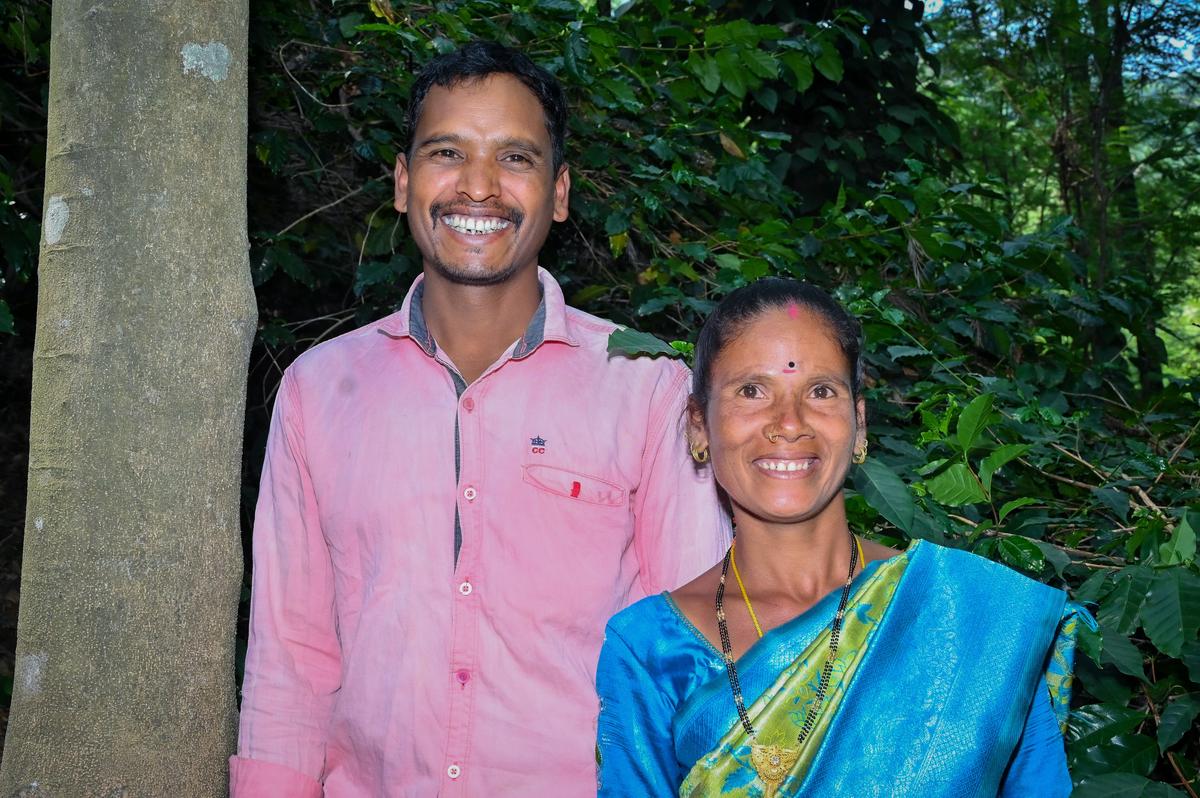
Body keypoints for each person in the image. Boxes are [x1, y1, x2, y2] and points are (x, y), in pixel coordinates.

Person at [230, 41, 729, 797]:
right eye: (447, 152)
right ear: (403, 182)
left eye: (516, 158)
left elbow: (691, 657)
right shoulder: (317, 391)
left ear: (559, 194)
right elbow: (290, 659)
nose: (479, 186)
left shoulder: (648, 389)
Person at [595, 278, 1088, 797]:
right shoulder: (649, 649)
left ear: (859, 422)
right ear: (699, 426)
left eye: (821, 391)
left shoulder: (973, 616)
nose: (789, 423)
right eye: (752, 391)